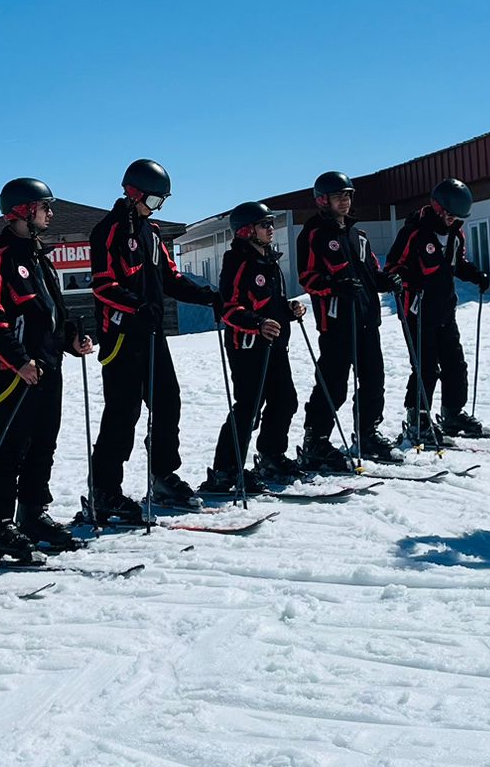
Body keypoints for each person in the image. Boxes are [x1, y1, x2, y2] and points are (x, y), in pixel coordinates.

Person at [0, 178, 98, 562]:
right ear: (24, 211)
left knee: (44, 443)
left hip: (48, 365)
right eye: (44, 207)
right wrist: (18, 360)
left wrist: (72, 339)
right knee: (12, 445)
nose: (50, 214)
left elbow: (52, 312)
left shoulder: (39, 255)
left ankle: (32, 514)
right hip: (17, 371)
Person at [86, 159, 218, 521]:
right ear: (134, 193)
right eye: (155, 200)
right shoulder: (108, 231)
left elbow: (171, 279)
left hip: (153, 334)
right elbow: (103, 285)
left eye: (162, 202)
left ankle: (163, 476)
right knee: (123, 412)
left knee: (168, 402)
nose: (157, 208)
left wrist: (209, 296)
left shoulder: (152, 233)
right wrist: (136, 307)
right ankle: (105, 490)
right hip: (121, 337)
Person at [297, 171, 401, 467]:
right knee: (333, 383)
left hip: (367, 318)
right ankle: (316, 440)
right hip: (336, 322)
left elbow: (371, 272)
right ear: (323, 200)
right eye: (338, 196)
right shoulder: (314, 234)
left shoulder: (359, 235)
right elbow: (307, 277)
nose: (344, 201)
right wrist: (335, 286)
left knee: (374, 379)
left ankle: (367, 433)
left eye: (347, 195)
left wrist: (385, 281)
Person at [203, 203, 307, 491]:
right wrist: (257, 323)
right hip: (247, 346)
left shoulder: (269, 260)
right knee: (248, 408)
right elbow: (229, 307)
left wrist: (289, 310)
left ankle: (271, 455)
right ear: (246, 230)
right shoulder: (238, 261)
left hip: (274, 345)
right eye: (264, 225)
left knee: (285, 400)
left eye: (271, 223)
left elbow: (270, 303)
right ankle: (226, 470)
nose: (270, 229)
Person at [385, 177, 490, 447]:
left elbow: (457, 264)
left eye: (458, 216)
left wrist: (476, 275)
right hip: (417, 310)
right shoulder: (414, 232)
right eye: (449, 214)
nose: (452, 219)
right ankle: (418, 420)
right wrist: (410, 280)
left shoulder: (455, 234)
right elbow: (392, 267)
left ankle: (453, 414)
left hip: (445, 309)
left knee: (455, 364)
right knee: (425, 367)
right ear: (437, 207)